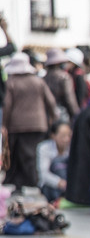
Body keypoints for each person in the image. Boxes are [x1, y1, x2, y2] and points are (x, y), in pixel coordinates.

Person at [3, 53, 57, 193]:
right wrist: (53, 117)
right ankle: (35, 182)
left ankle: (23, 183)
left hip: (17, 124)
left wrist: (4, 124)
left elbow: (7, 106)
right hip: (38, 124)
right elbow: (50, 101)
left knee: (19, 156)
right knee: (34, 154)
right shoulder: (38, 81)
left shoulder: (12, 82)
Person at [36, 120, 71, 203]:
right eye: (63, 136)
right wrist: (60, 183)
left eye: (69, 135)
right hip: (51, 186)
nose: (66, 139)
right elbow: (43, 174)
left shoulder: (72, 147)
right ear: (53, 136)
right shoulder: (44, 147)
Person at [42, 49, 79, 121]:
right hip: (61, 114)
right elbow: (69, 99)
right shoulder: (64, 77)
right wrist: (76, 114)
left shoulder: (43, 78)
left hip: (46, 114)